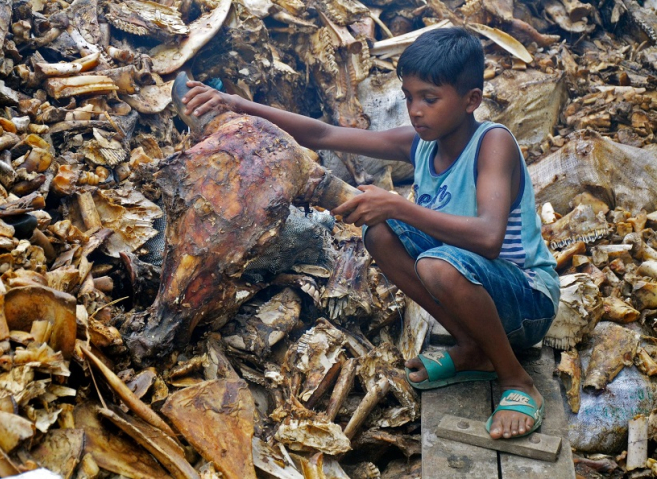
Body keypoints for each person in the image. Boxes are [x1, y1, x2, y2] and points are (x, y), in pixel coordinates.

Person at [180, 26, 560, 440]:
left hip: (526, 301)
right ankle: (474, 350)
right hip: (473, 290)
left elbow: (488, 238)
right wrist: (237, 105)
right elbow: (324, 134)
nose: (415, 110)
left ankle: (516, 380)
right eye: (409, 96)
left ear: (472, 100)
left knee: (436, 263)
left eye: (429, 99)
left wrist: (400, 205)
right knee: (379, 234)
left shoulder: (492, 144)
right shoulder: (422, 145)